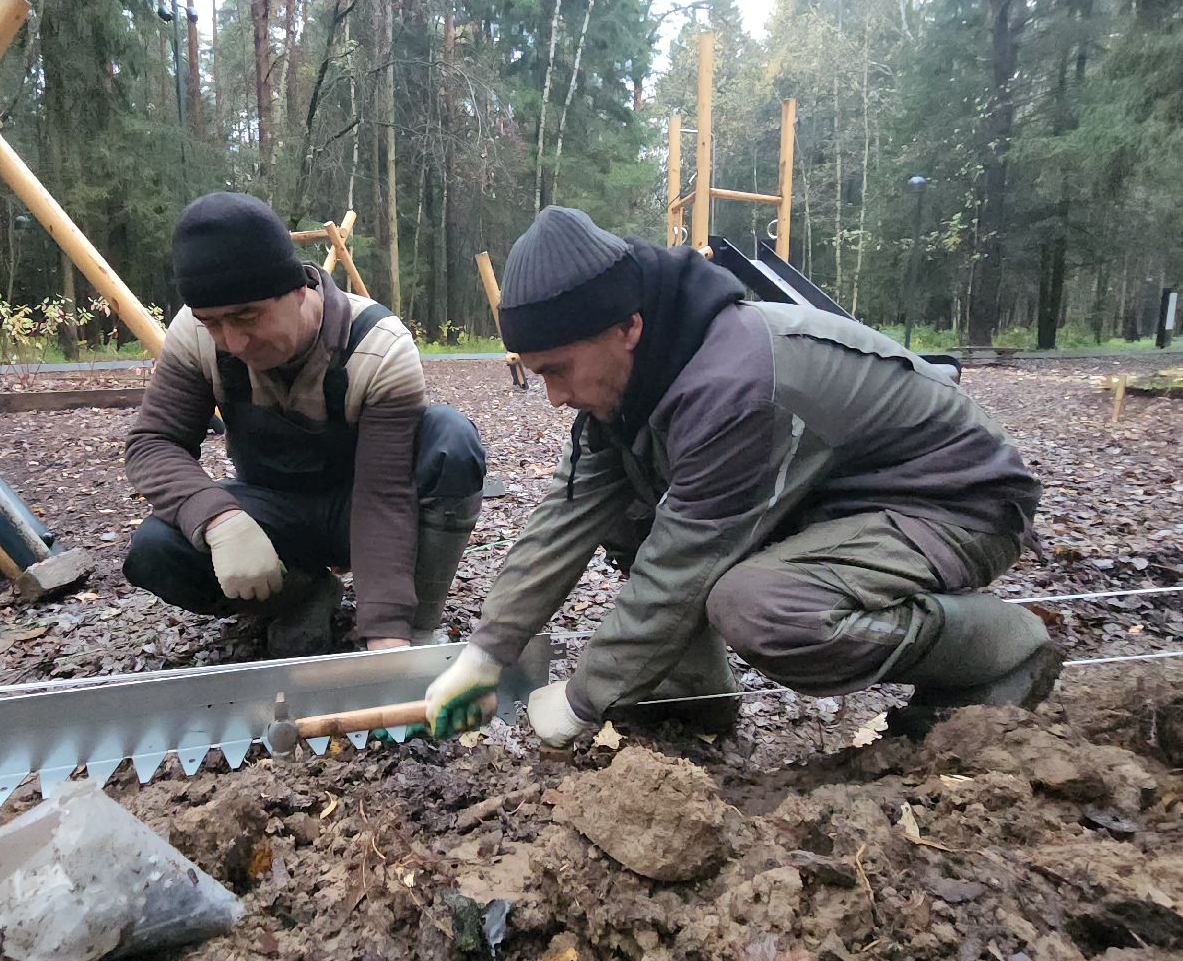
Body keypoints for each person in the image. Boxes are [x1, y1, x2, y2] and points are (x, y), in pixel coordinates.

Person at [424, 206, 1056, 745]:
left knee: (763, 608)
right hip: (838, 502)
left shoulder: (734, 384)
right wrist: (486, 651)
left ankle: (999, 647)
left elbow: (681, 565)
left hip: (955, 503)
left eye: (557, 370)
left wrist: (584, 699)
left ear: (627, 329)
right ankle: (686, 696)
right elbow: (565, 515)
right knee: (630, 507)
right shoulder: (635, 377)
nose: (555, 396)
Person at [123, 192, 486, 653]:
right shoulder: (193, 334)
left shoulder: (378, 345)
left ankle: (417, 623)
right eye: (212, 322)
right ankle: (299, 594)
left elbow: (384, 497)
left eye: (247, 317)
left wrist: (387, 635)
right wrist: (219, 518)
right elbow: (153, 442)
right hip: (272, 515)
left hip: (362, 509)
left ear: (299, 291)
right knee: (155, 548)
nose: (232, 341)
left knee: (449, 438)